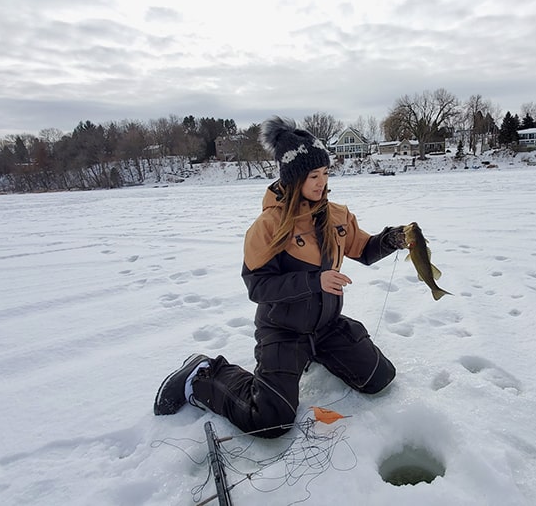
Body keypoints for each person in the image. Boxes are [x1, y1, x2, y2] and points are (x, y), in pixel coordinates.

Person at [153, 116, 406, 438]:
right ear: (294, 177)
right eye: (313, 175)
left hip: (327, 328)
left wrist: (390, 239)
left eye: (325, 173)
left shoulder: (338, 215)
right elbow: (258, 286)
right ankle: (203, 374)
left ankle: (318, 354)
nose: (322, 182)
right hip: (283, 331)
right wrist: (314, 281)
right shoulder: (268, 226)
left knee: (379, 378)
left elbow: (364, 250)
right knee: (271, 420)